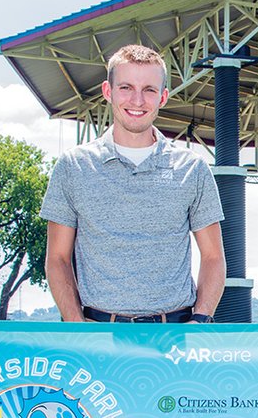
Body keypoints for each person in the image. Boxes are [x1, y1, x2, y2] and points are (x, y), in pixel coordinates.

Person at [41, 45, 226, 323]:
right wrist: (76, 326)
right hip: (99, 335)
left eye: (149, 90)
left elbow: (213, 258)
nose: (137, 100)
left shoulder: (193, 169)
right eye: (126, 87)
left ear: (163, 97)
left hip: (174, 337)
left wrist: (200, 320)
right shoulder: (73, 167)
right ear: (108, 91)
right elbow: (57, 259)